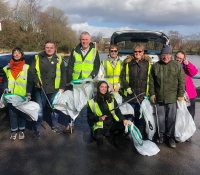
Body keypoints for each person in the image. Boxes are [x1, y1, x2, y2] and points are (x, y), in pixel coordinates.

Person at [149, 45, 185, 148]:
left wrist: (180, 94)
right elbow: (151, 82)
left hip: (172, 98)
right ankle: (161, 136)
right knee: (160, 118)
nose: (166, 57)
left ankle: (170, 137)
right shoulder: (155, 66)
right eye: (164, 55)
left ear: (171, 55)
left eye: (168, 54)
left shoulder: (176, 65)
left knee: (171, 118)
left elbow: (182, 81)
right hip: (159, 97)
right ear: (161, 55)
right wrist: (152, 93)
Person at [30, 41, 66, 138]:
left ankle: (54, 126)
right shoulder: (37, 57)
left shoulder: (59, 59)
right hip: (40, 89)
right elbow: (32, 71)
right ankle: (37, 130)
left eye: (51, 47)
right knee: (39, 111)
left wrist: (62, 87)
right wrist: (36, 81)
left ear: (55, 49)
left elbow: (63, 74)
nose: (49, 49)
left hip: (55, 89)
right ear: (44, 48)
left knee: (54, 109)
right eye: (47, 47)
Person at [120, 44, 151, 138]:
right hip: (130, 95)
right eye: (135, 51)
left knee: (141, 116)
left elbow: (151, 79)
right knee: (130, 115)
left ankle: (140, 134)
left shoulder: (147, 63)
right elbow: (122, 77)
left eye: (139, 51)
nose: (137, 53)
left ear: (143, 52)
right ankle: (129, 133)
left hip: (142, 95)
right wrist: (127, 87)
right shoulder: (128, 63)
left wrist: (149, 93)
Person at [87, 81, 131, 145]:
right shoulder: (91, 102)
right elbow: (89, 117)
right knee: (99, 138)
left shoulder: (112, 98)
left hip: (112, 123)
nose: (104, 89)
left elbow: (117, 111)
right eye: (102, 87)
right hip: (101, 125)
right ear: (98, 88)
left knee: (126, 127)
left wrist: (124, 119)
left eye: (105, 87)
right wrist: (99, 118)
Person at [3, 47, 32, 140]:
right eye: (14, 53)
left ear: (21, 54)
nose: (16, 54)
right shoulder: (7, 68)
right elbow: (4, 81)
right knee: (12, 114)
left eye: (18, 53)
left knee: (22, 114)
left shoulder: (26, 67)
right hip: (11, 96)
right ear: (12, 55)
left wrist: (28, 93)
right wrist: (5, 89)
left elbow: (29, 82)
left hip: (22, 96)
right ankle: (14, 131)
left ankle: (21, 130)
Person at [175, 51, 198, 119]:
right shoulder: (171, 65)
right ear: (174, 56)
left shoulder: (186, 65)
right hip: (177, 94)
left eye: (180, 58)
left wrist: (188, 64)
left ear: (184, 59)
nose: (178, 59)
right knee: (179, 115)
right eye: (177, 57)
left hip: (189, 94)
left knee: (190, 114)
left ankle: (190, 129)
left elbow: (194, 72)